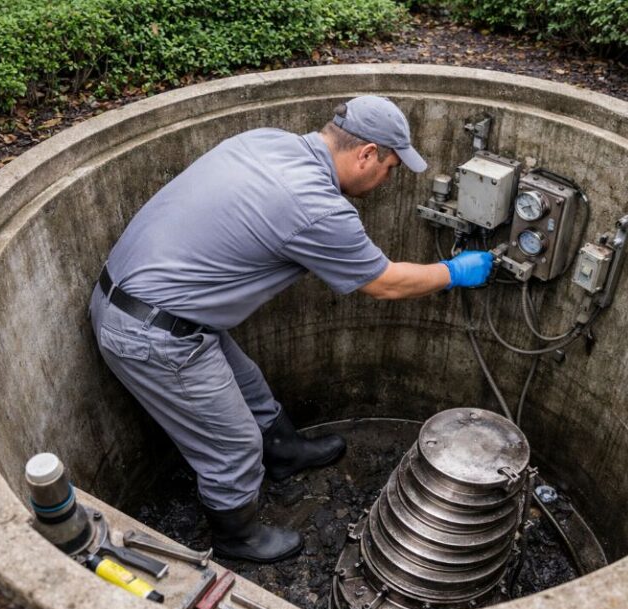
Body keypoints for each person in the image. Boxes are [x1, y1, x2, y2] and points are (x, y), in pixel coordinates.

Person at [90, 96, 493, 563]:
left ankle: (283, 452)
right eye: (390, 167)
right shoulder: (317, 207)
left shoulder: (268, 142)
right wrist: (456, 271)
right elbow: (385, 283)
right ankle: (236, 538)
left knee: (250, 386)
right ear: (364, 153)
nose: (388, 180)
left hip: (144, 299)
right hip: (150, 332)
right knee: (233, 446)